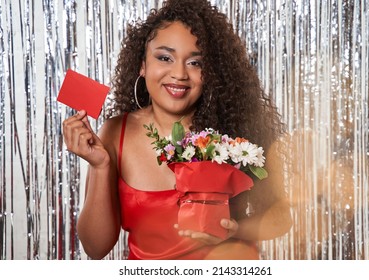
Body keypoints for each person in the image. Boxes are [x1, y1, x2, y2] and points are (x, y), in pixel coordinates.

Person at [62, 0, 292, 260]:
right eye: (164, 58)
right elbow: (95, 248)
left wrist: (235, 231)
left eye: (195, 63)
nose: (180, 73)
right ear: (142, 65)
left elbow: (280, 218)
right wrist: (100, 166)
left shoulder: (234, 130)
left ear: (211, 72)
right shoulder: (115, 133)